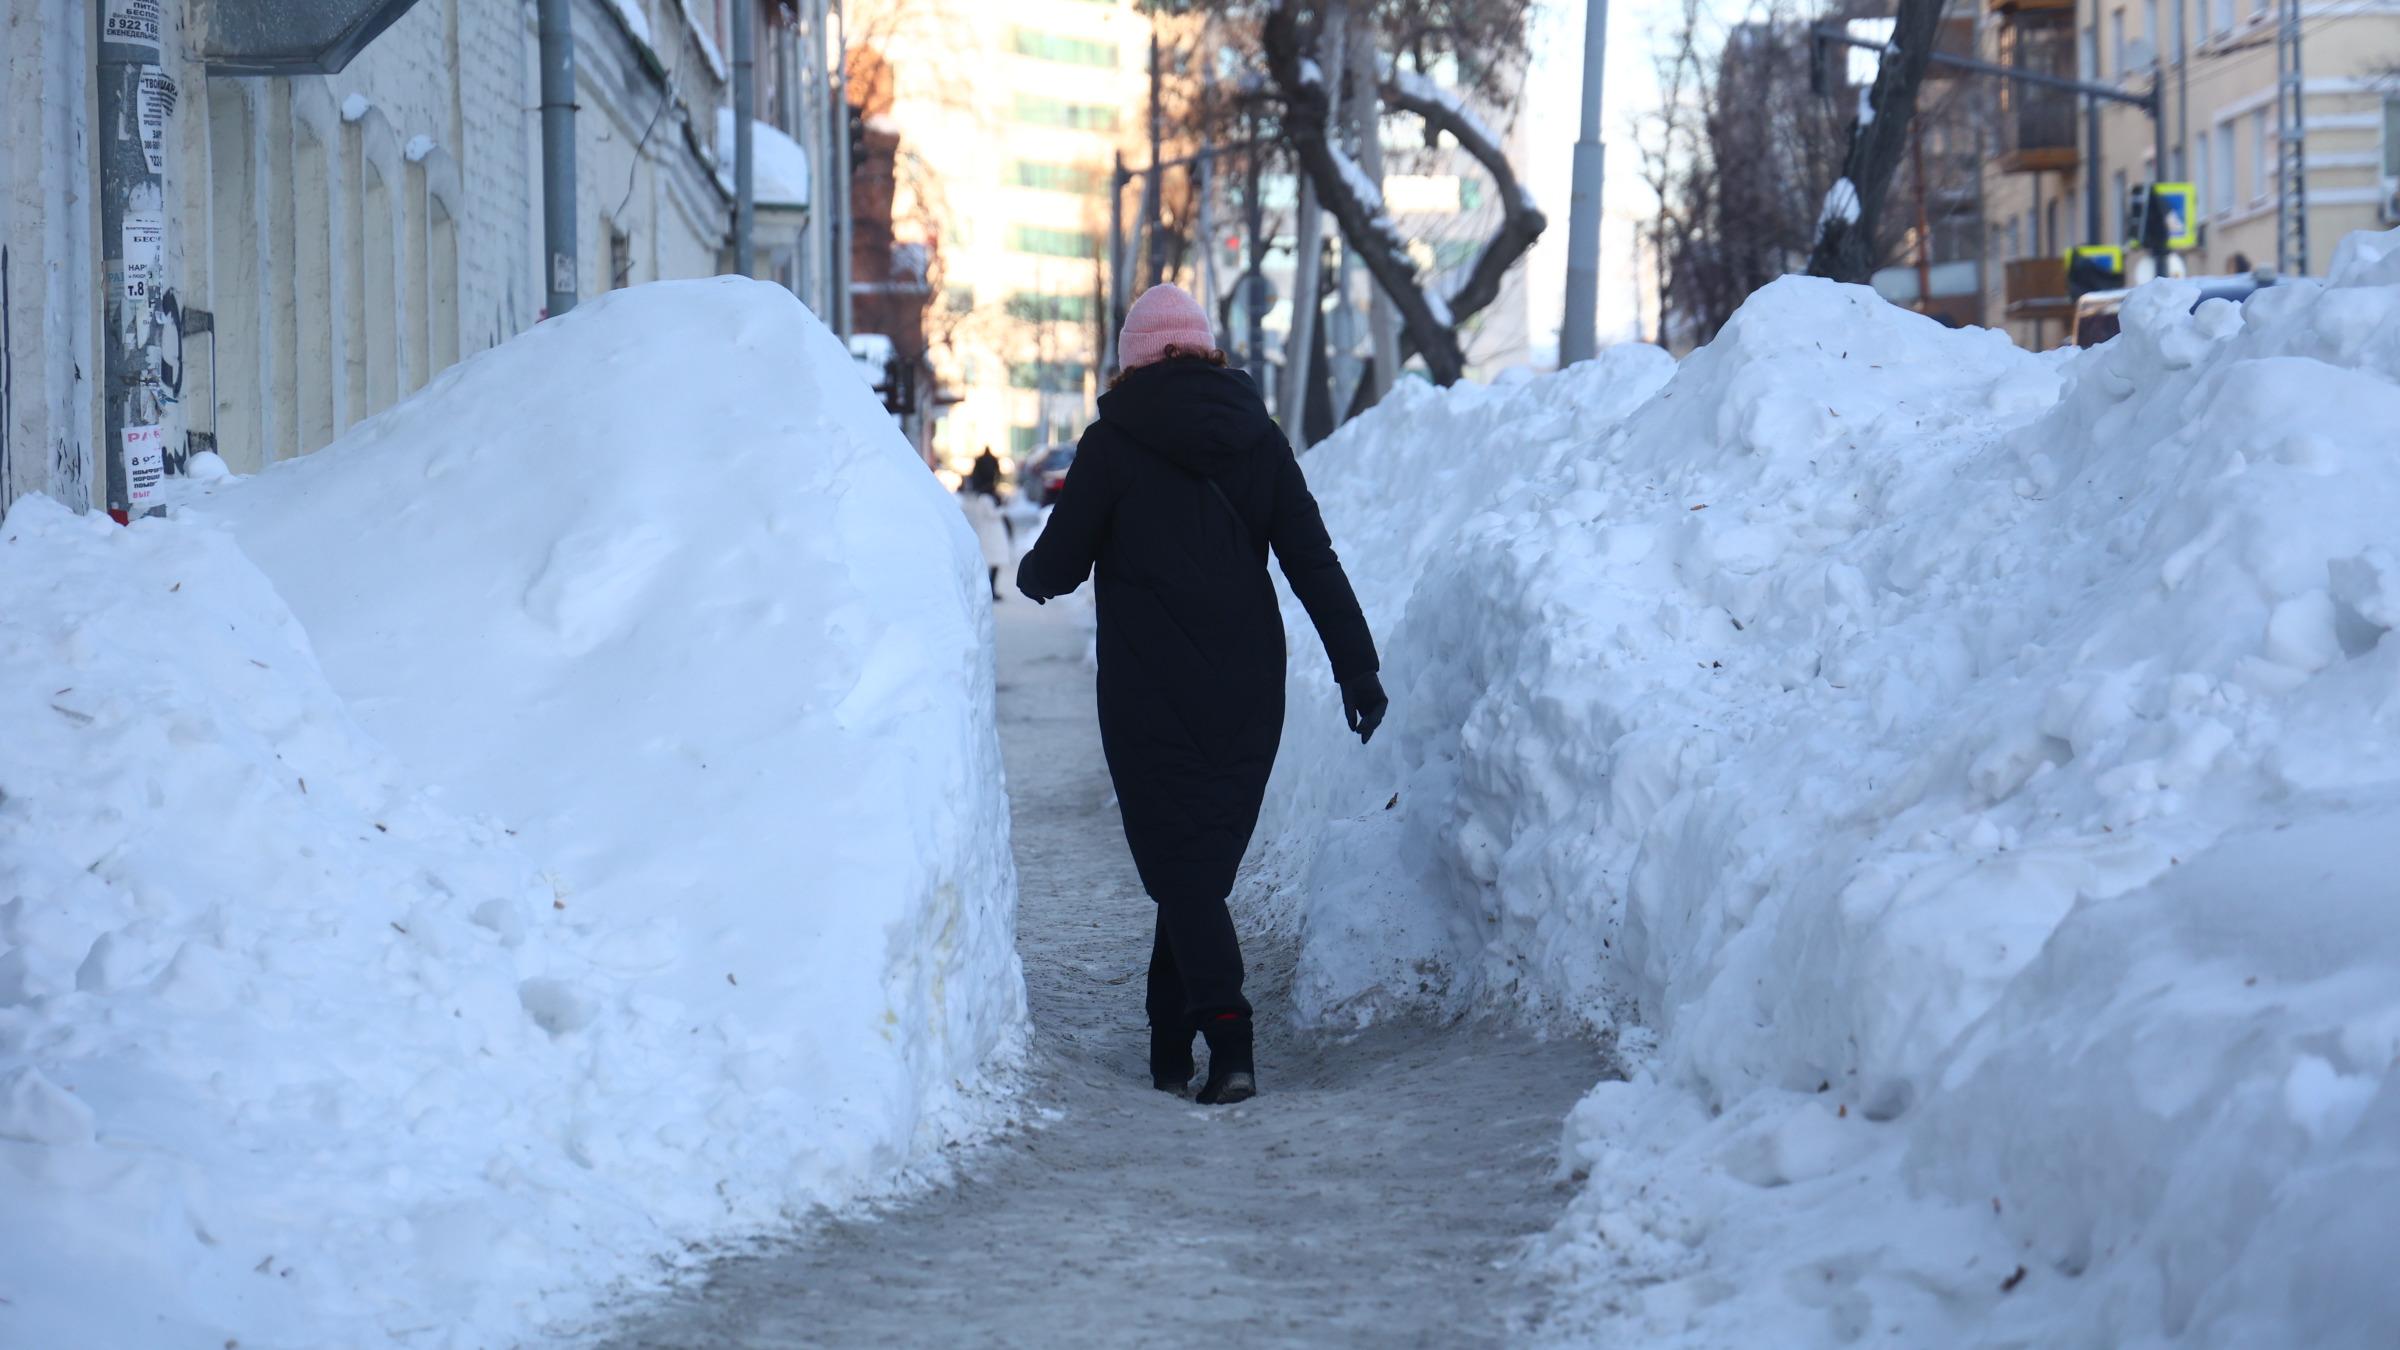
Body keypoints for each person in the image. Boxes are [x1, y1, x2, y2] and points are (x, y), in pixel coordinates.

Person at [1016, 284, 1386, 1106]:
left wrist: (1029, 578)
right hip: (1249, 688)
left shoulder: (1111, 443)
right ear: (1208, 350)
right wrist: (1356, 667)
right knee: (1195, 872)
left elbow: (1061, 562)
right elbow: (1311, 561)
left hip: (1148, 690)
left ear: (1133, 358)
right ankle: (1167, 1045)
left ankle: (1230, 1040)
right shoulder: (1259, 438)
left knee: (1182, 872)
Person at [959, 448, 1011, 600]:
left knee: (992, 564)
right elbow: (992, 514)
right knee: (992, 563)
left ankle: (991, 589)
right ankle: (990, 590)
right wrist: (1003, 508)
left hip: (991, 534)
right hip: (991, 535)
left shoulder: (982, 497)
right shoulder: (986, 499)